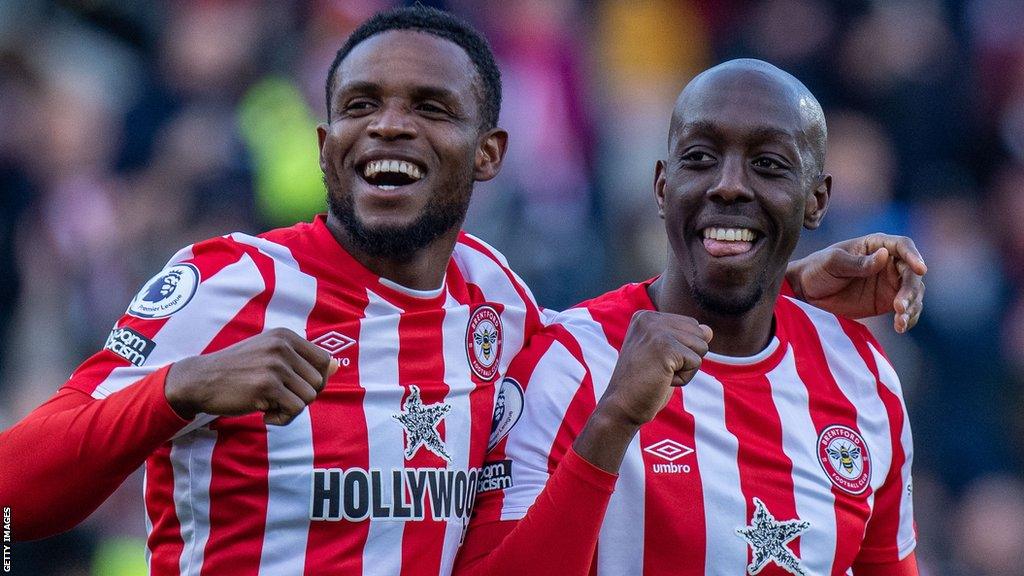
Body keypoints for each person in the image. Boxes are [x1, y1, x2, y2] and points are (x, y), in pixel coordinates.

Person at [0, 8, 924, 575]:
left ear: (489, 155)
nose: (388, 127)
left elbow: (633, 333)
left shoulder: (498, 305)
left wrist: (778, 277)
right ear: (325, 146)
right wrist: (177, 392)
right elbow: (14, 498)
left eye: (430, 108)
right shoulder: (229, 283)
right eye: (361, 106)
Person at [457, 59, 920, 576]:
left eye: (768, 164)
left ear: (816, 201)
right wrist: (612, 422)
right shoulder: (568, 365)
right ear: (661, 186)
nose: (728, 186)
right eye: (700, 158)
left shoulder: (862, 378)